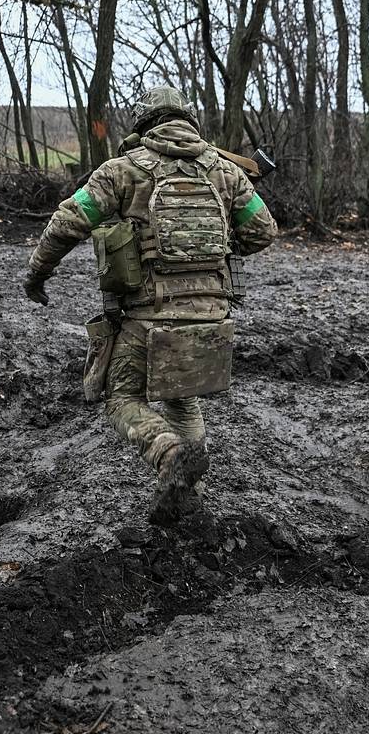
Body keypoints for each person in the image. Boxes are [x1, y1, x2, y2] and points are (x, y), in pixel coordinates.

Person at [22, 86, 278, 520]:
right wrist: (215, 248)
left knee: (121, 398)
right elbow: (264, 232)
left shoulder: (121, 171)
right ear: (188, 121)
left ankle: (167, 452)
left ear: (143, 125)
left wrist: (37, 274)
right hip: (213, 316)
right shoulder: (227, 172)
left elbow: (68, 221)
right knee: (183, 398)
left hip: (149, 318)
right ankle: (187, 493)